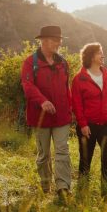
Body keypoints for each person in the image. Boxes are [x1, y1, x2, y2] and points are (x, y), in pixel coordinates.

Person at [21, 25, 72, 200]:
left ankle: (63, 187)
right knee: (43, 155)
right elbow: (27, 86)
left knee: (62, 150)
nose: (58, 43)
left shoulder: (63, 63)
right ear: (43, 40)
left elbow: (67, 89)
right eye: (55, 39)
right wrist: (42, 101)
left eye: (59, 40)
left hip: (62, 116)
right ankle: (45, 184)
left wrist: (71, 110)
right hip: (40, 117)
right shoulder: (30, 62)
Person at [71, 42, 107, 199]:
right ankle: (82, 194)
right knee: (85, 160)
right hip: (88, 126)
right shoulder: (79, 79)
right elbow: (76, 104)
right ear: (91, 56)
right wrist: (83, 124)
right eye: (99, 53)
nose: (102, 55)